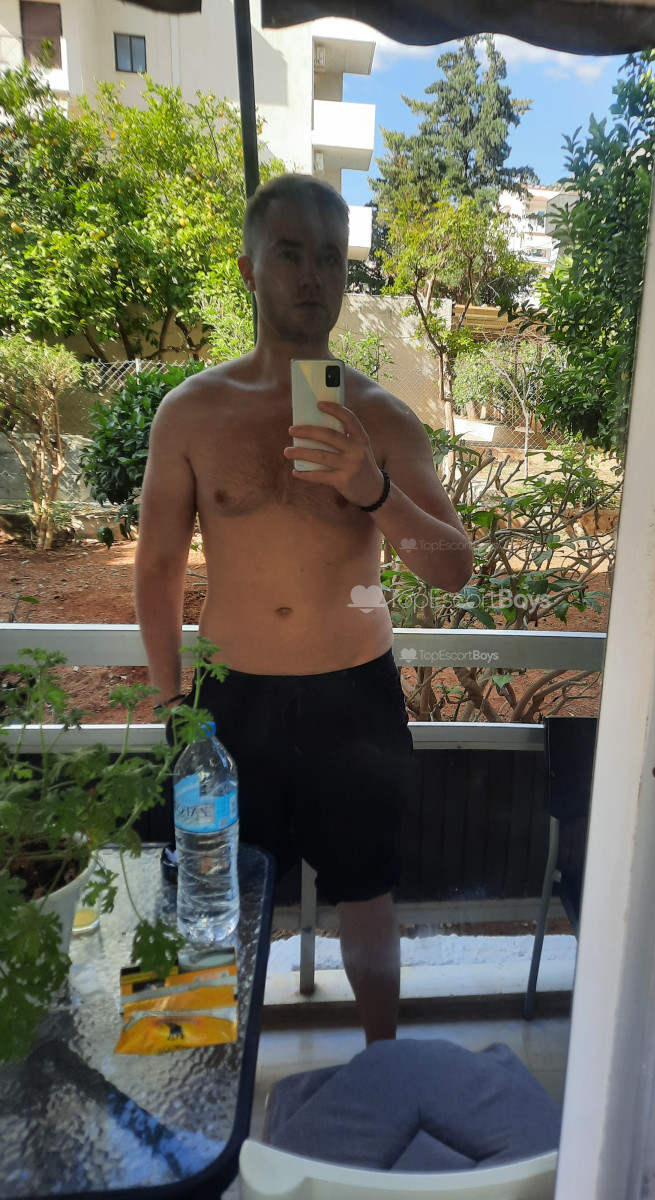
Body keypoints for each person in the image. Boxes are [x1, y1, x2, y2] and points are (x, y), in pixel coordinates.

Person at [135, 174, 473, 1044]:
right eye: (289, 253)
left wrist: (374, 488)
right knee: (208, 893)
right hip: (228, 706)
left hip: (353, 697)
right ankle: (202, 1074)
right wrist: (173, 705)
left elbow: (453, 569)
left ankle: (383, 1063)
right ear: (249, 269)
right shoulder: (191, 413)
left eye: (330, 257)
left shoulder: (382, 418)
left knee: (369, 892)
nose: (312, 275)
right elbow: (159, 568)